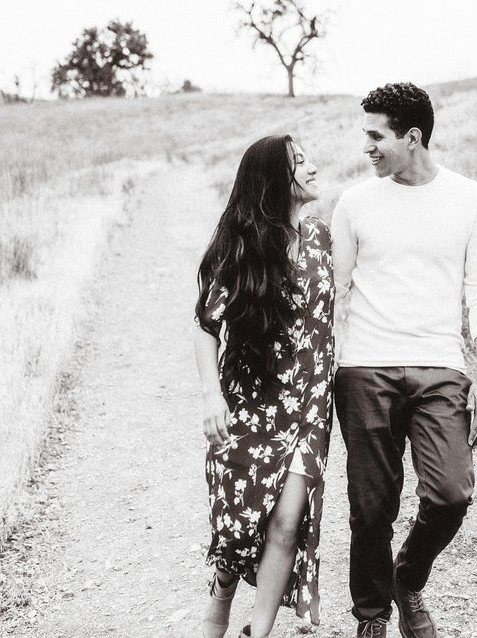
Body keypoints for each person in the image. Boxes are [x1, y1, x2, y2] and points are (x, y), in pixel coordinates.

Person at [331, 82, 477, 638]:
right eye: (366, 137)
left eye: (376, 137)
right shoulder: (354, 203)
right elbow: (332, 295)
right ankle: (373, 617)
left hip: (438, 366)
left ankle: (408, 576)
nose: (368, 148)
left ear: (412, 137)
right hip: (364, 367)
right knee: (371, 508)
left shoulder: (471, 199)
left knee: (451, 493)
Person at [194, 135, 335, 638]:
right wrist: (212, 397)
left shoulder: (323, 238)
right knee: (237, 525)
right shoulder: (244, 246)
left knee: (286, 523)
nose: (314, 167)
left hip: (311, 407)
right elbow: (207, 327)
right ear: (277, 180)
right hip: (252, 403)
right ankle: (223, 591)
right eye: (301, 163)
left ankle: (258, 631)